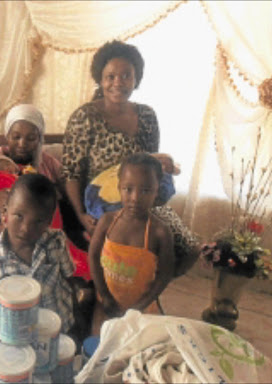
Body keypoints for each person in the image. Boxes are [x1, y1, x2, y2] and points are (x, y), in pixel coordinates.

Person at [62, 39, 198, 276]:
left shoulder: (147, 116)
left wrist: (164, 162)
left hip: (143, 202)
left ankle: (147, 292)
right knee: (134, 254)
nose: (118, 83)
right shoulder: (84, 117)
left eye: (126, 76)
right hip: (103, 208)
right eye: (111, 76)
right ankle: (127, 294)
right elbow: (71, 174)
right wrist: (81, 216)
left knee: (189, 249)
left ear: (136, 79)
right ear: (100, 78)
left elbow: (149, 165)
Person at [0, 174, 75, 335]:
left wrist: (76, 314)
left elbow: (68, 278)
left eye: (38, 221)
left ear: (49, 222)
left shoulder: (56, 242)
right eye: (19, 216)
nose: (26, 228)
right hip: (16, 335)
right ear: (5, 212)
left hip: (57, 327)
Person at [88, 154, 174, 335]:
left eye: (145, 191)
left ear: (156, 191)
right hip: (106, 302)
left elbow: (164, 275)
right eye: (128, 189)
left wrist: (138, 308)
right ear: (119, 187)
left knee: (141, 349)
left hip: (142, 308)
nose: (135, 197)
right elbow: (93, 257)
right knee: (99, 343)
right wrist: (104, 296)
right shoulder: (107, 221)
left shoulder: (160, 232)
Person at [0, 104, 64, 248]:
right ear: (7, 135)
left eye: (31, 138)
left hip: (45, 241)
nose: (22, 144)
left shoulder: (48, 163)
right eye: (16, 137)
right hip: (0, 242)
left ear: (39, 138)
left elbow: (67, 192)